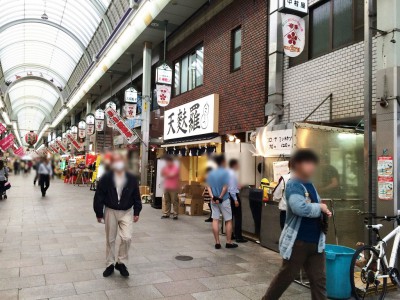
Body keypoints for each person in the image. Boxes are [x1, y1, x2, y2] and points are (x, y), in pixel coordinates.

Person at [263, 149, 332, 300]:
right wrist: (319, 208)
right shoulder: (294, 184)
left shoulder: (310, 184)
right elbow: (299, 208)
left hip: (315, 242)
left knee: (319, 281)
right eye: (308, 162)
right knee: (285, 277)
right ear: (297, 165)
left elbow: (317, 203)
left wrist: (324, 209)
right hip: (298, 242)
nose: (312, 166)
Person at [93, 153, 142, 278]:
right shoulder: (106, 177)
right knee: (110, 239)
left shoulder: (131, 178)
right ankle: (110, 264)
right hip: (110, 210)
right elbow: (99, 195)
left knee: (127, 237)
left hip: (126, 211)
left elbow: (136, 195)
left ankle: (121, 262)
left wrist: (137, 211)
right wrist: (99, 213)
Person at [207, 155, 238, 249]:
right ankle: (228, 242)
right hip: (224, 200)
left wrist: (213, 197)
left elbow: (208, 187)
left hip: (213, 200)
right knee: (228, 220)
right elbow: (225, 187)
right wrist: (220, 197)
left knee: (215, 220)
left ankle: (217, 242)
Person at [228, 159, 247, 243]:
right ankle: (238, 236)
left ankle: (231, 234)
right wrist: (235, 200)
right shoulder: (232, 174)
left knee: (230, 217)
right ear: (234, 165)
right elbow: (232, 189)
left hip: (229, 196)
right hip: (233, 197)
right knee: (238, 217)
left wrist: (238, 186)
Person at [161, 156, 180, 220]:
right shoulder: (166, 168)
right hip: (166, 187)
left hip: (173, 187)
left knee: (174, 201)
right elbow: (163, 174)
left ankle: (175, 214)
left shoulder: (175, 168)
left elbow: (172, 175)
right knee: (167, 201)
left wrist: (167, 174)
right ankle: (166, 214)